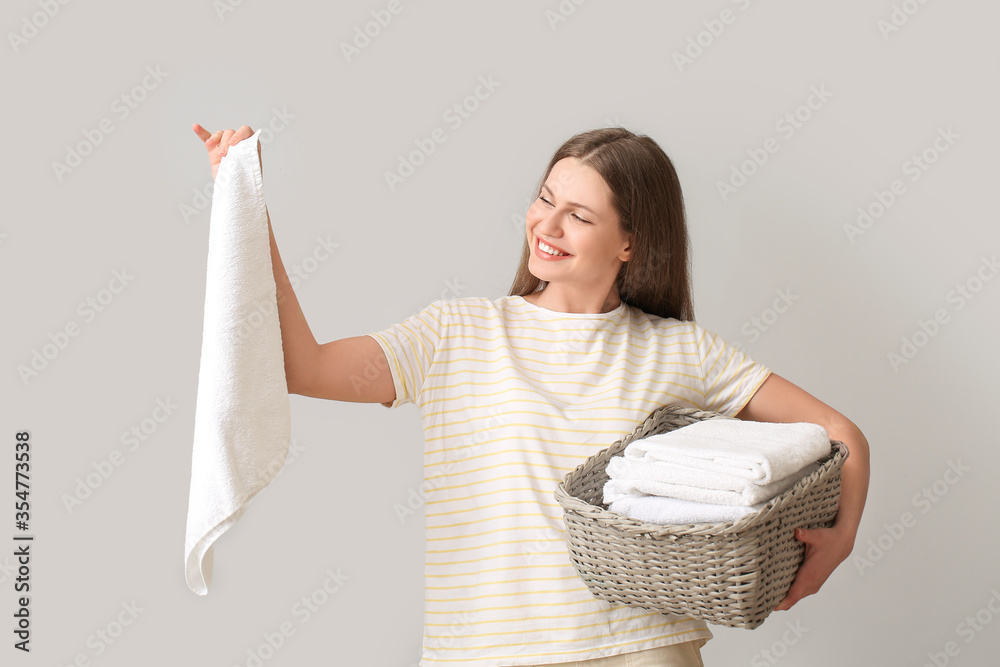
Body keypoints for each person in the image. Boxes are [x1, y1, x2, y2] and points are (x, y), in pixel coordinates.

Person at [192, 123, 871, 667]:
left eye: (578, 214)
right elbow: (300, 366)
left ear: (630, 241)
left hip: (642, 650)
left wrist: (834, 546)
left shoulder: (682, 350)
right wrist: (246, 210)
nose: (547, 226)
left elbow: (838, 432)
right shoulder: (456, 334)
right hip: (484, 651)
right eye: (545, 198)